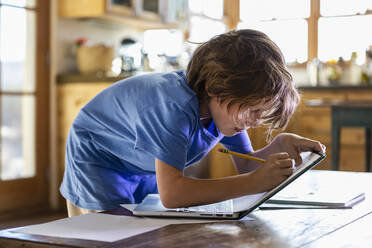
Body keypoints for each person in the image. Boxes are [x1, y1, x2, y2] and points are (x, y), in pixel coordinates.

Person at [60, 29, 326, 217]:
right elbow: (173, 195)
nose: (255, 121)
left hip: (139, 163)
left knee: (145, 231)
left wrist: (279, 145)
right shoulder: (172, 109)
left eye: (261, 111)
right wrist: (254, 182)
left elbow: (246, 163)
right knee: (110, 235)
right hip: (98, 161)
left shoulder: (225, 110)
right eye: (252, 110)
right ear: (215, 89)